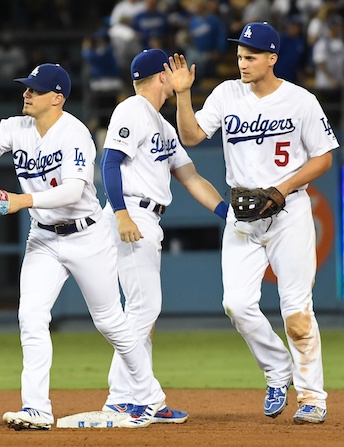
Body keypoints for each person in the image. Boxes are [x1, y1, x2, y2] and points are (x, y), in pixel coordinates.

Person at [0, 58, 166, 430]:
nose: (26, 93)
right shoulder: (17, 128)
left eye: (34, 89)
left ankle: (150, 398)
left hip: (87, 235)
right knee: (31, 318)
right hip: (44, 239)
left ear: (57, 96)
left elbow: (73, 190)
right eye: (26, 87)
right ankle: (36, 408)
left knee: (111, 323)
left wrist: (20, 201)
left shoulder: (75, 132)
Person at [167, 22, 339, 424]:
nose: (242, 63)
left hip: (289, 212)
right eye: (240, 56)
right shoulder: (228, 93)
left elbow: (324, 157)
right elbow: (191, 136)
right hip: (244, 215)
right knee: (236, 304)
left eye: (251, 56)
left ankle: (312, 396)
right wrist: (183, 94)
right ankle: (278, 369)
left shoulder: (300, 101)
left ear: (272, 58)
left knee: (296, 312)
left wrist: (281, 189)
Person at [99, 49, 227, 423]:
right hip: (133, 214)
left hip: (147, 218)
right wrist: (121, 213)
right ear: (161, 76)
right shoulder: (132, 109)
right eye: (172, 70)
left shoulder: (163, 125)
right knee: (143, 308)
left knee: (142, 313)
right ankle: (126, 397)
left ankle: (131, 396)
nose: (179, 73)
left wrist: (227, 214)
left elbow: (191, 178)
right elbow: (109, 163)